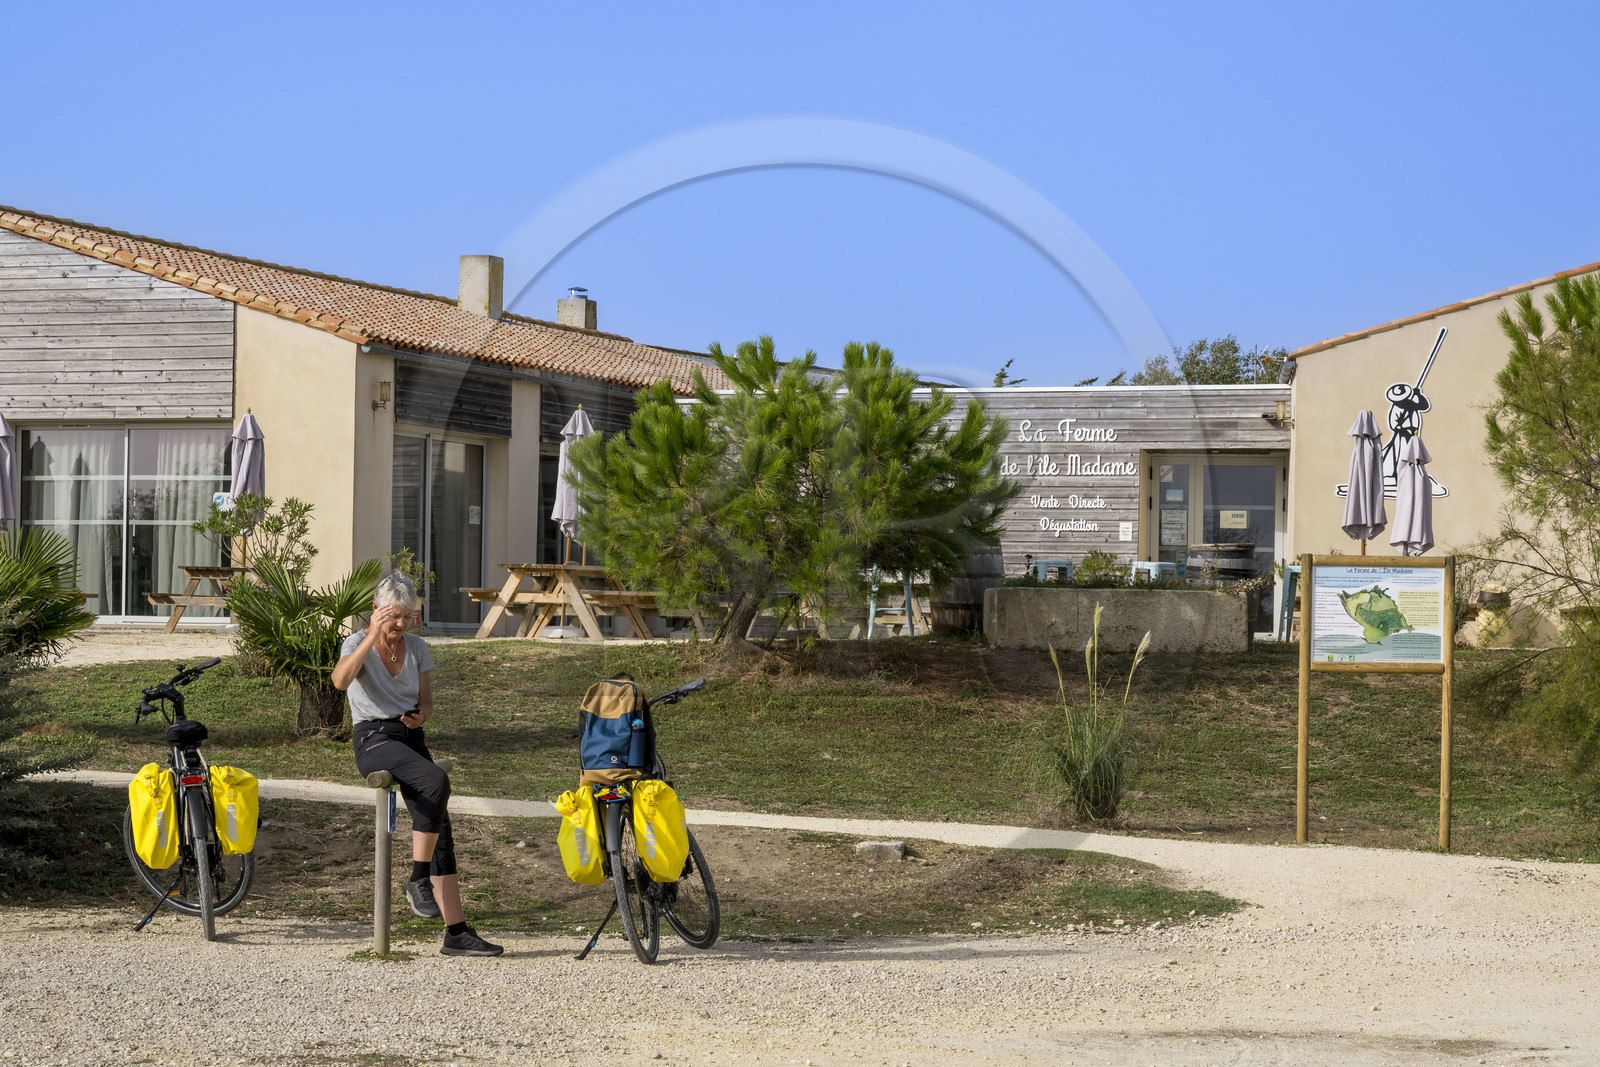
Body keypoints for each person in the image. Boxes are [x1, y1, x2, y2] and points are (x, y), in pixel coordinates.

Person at [332, 573, 502, 957]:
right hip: (373, 740)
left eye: (406, 616)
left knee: (440, 824)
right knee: (437, 780)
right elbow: (340, 682)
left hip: (410, 737)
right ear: (375, 611)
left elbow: (426, 702)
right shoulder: (356, 642)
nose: (399, 624)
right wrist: (370, 638)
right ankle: (417, 879)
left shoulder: (417, 647)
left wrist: (421, 717)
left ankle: (456, 933)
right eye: (392, 616)